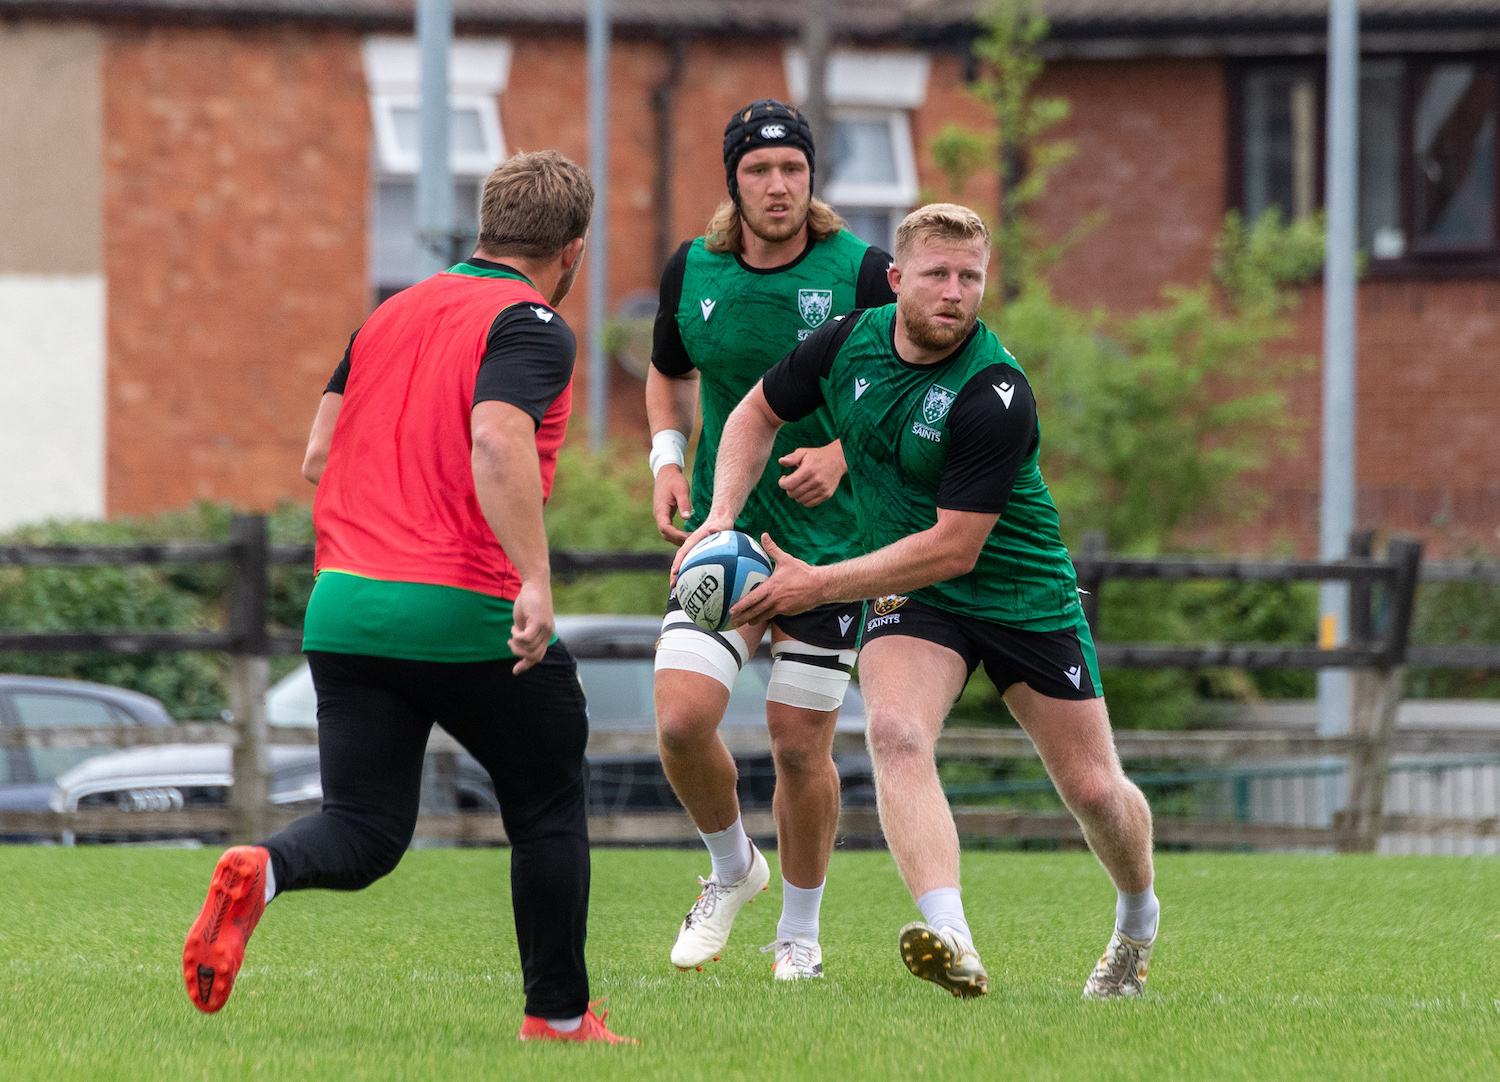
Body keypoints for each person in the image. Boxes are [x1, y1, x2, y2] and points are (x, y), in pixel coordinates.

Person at [180, 150, 633, 1043]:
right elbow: (496, 440)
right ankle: (557, 1018)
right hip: (462, 603)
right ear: (573, 249)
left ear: (485, 225)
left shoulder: (388, 314)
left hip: (345, 606)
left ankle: (263, 868)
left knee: (364, 829)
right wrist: (536, 579)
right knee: (546, 803)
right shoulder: (531, 322)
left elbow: (318, 455)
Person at [674, 203, 1159, 1000]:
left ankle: (1137, 921)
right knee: (895, 733)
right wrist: (720, 514)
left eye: (971, 276)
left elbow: (954, 547)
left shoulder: (995, 391)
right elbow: (754, 411)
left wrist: (816, 583)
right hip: (916, 595)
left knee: (1095, 790)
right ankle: (953, 939)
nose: (955, 292)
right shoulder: (846, 342)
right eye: (937, 274)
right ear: (897, 279)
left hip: (1020, 592)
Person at [646, 99, 897, 980]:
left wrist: (841, 452)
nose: (778, 184)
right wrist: (667, 459)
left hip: (831, 551)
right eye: (759, 169)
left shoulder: (863, 272)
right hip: (726, 537)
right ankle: (731, 869)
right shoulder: (692, 270)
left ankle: (799, 933)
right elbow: (667, 369)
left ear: (812, 178)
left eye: (793, 168)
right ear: (734, 182)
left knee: (798, 745)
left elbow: (908, 385)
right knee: (681, 723)